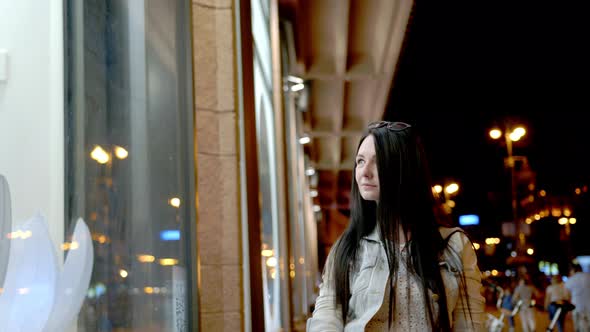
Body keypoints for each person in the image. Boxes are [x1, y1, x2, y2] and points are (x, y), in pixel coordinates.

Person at [306, 121, 485, 331]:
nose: (364, 172)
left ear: (405, 167)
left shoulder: (453, 245)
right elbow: (326, 318)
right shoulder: (347, 248)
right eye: (360, 161)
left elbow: (471, 324)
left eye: (377, 162)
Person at [565, 263, 590, 332]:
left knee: (578, 328)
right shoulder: (588, 276)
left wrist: (568, 311)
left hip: (576, 307)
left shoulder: (570, 280)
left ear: (573, 270)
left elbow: (567, 296)